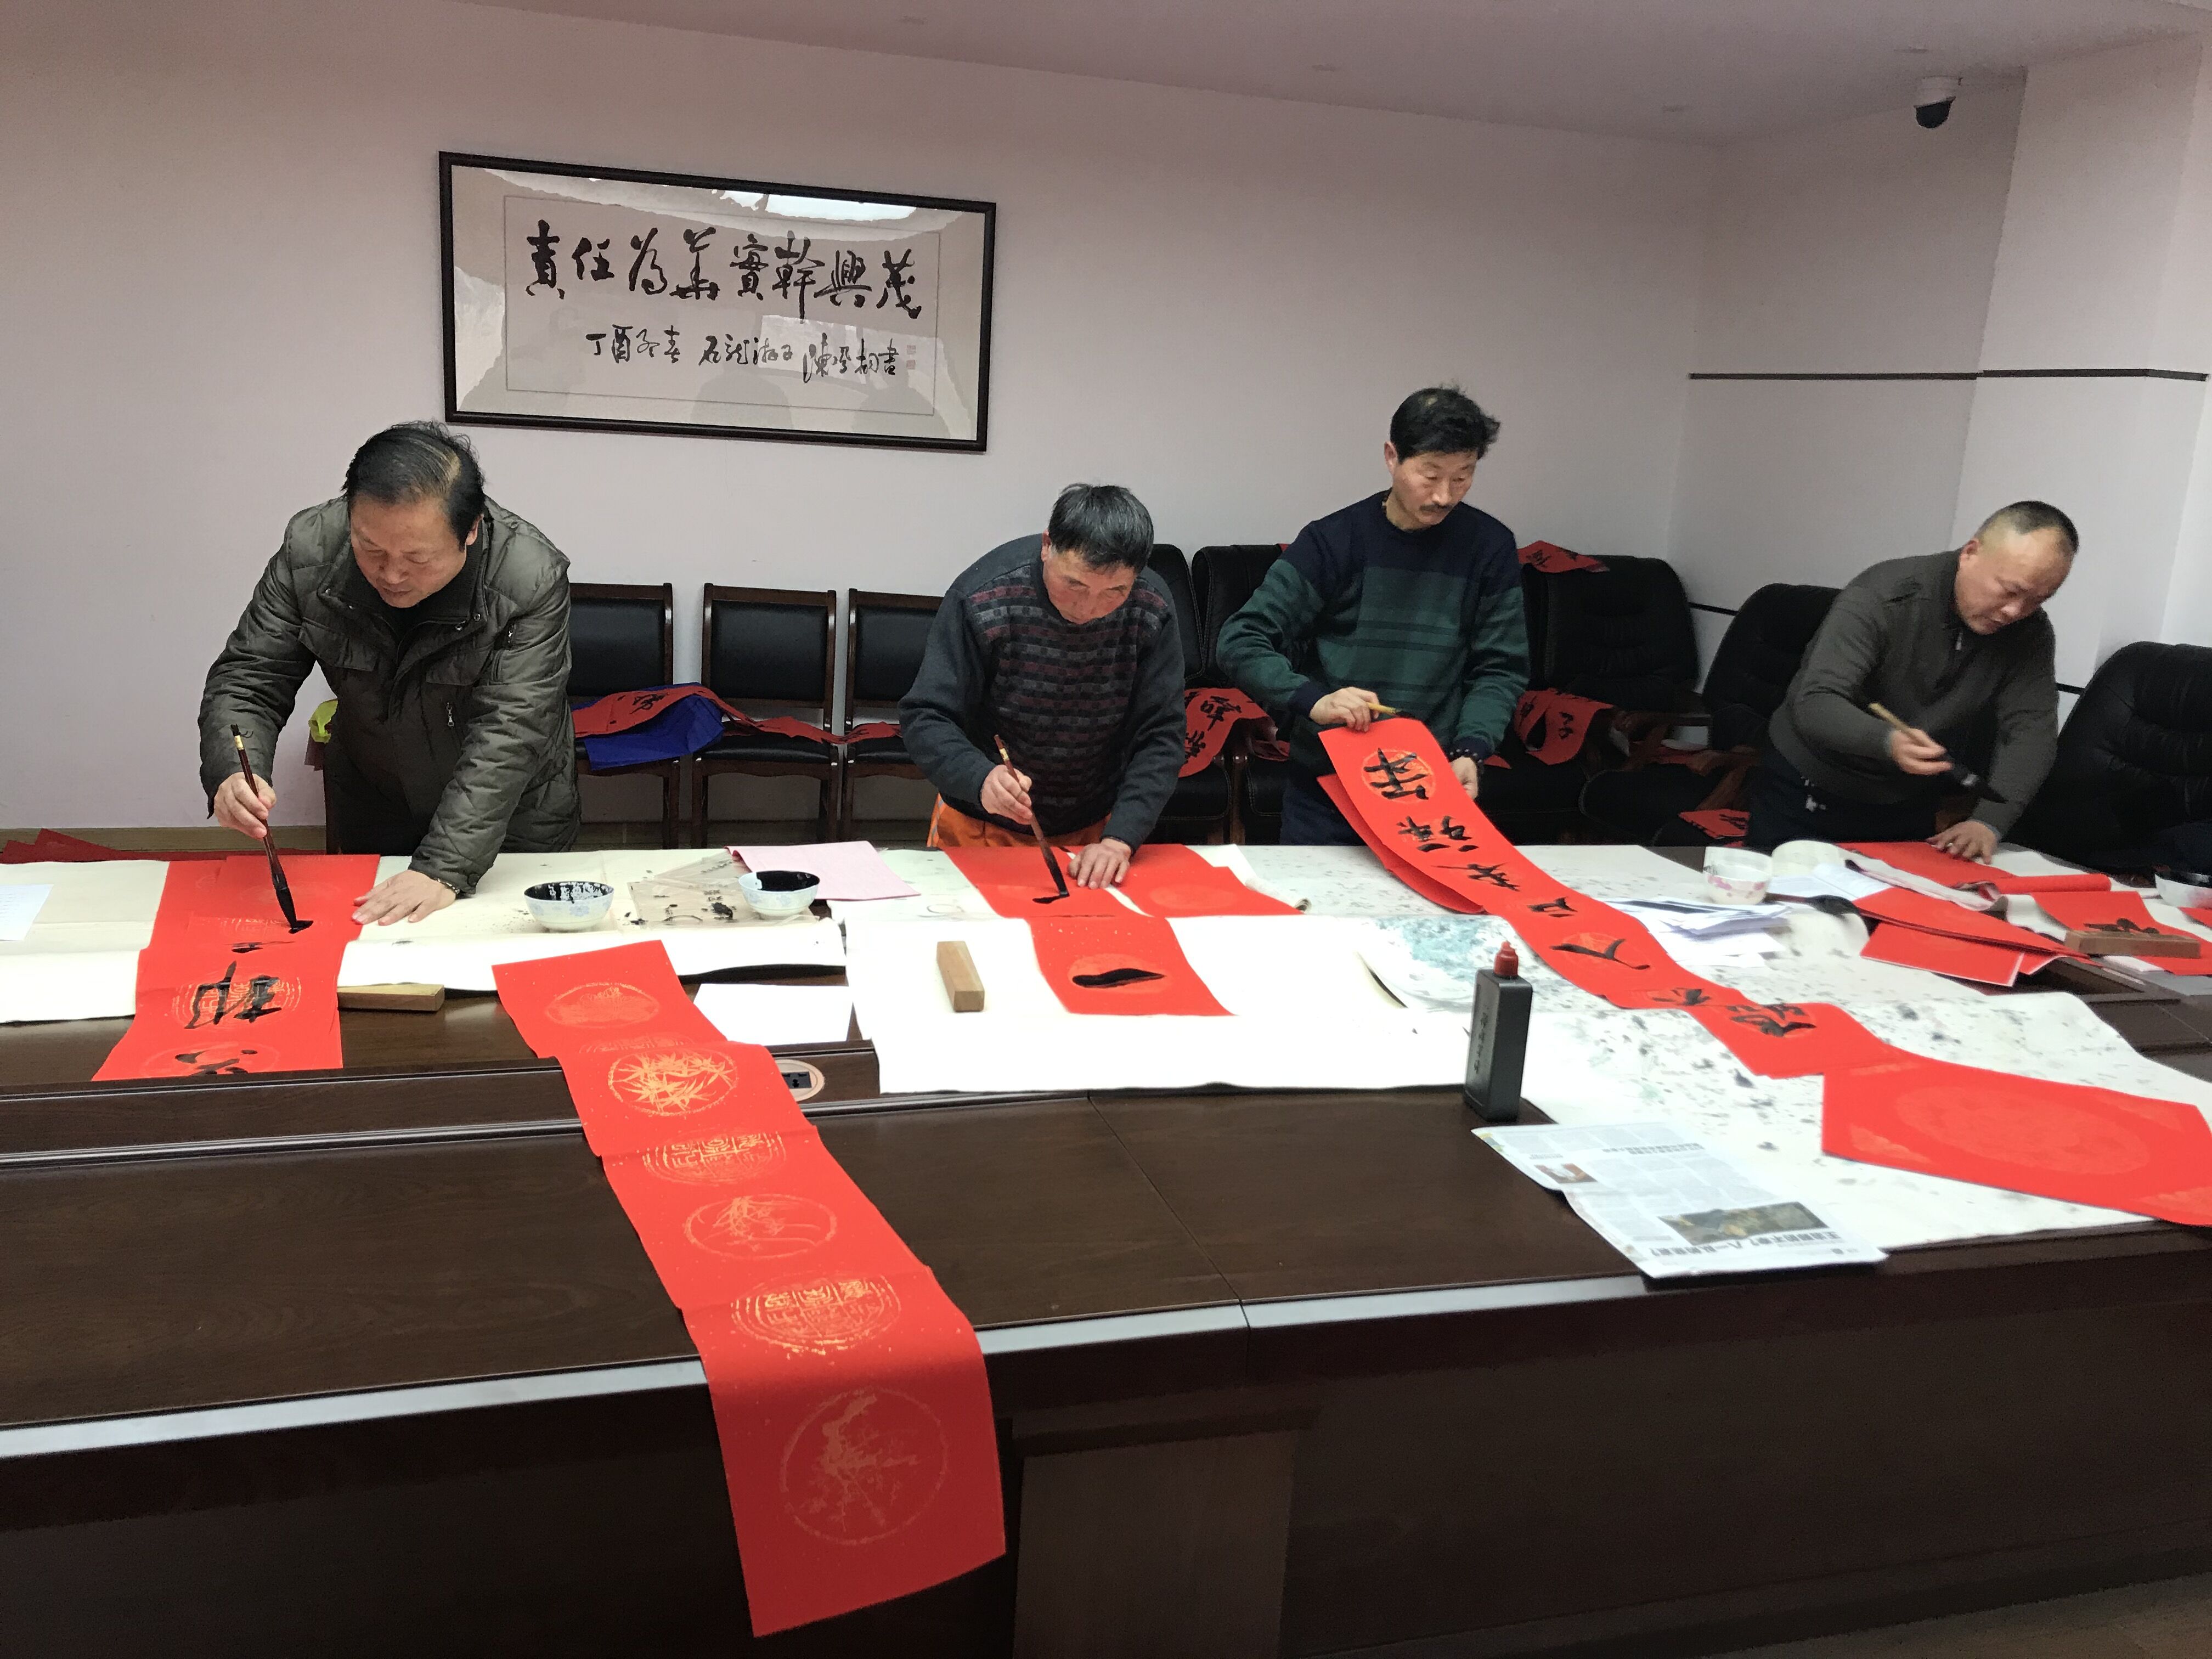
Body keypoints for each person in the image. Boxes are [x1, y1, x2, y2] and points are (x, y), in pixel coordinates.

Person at [200, 422, 581, 924]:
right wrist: (234, 769)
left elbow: (510, 730)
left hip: (507, 816)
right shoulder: (311, 550)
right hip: (375, 798)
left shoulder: (527, 578)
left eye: (417, 558)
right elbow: (252, 676)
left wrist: (445, 866)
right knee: (373, 949)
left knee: (497, 946)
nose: (392, 574)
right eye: (371, 549)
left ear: (470, 530)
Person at [1215, 385, 1529, 843]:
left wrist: (1471, 749)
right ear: (1392, 457)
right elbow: (1241, 640)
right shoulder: (1334, 541)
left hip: (1430, 784)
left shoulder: (1490, 547)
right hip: (1328, 784)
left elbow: (1500, 667)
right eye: (1430, 475)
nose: (1445, 495)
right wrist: (1314, 701)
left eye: (1463, 477)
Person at [1750, 500, 2078, 860]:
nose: (2016, 611)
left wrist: (1989, 822)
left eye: (2038, 599)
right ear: (1971, 553)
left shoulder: (2029, 632)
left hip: (1907, 797)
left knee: (1897, 893)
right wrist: (1887, 741)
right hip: (1811, 781)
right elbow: (1817, 700)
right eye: (2010, 590)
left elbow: (2031, 733)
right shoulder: (1885, 595)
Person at [900, 483, 1184, 888]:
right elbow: (926, 716)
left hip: (1096, 833)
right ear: (1048, 545)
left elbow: (1160, 733)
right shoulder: (984, 596)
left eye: (1115, 592)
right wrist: (980, 779)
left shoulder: (1151, 606)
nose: (1089, 609)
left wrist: (1121, 838)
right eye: (1075, 585)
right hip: (981, 824)